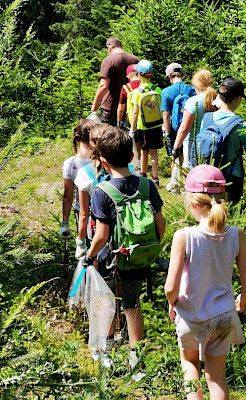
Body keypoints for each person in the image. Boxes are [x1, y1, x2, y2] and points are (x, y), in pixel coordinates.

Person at [164, 164, 246, 400]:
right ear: (223, 197)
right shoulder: (237, 234)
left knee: (190, 366)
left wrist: (172, 303)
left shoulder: (184, 236)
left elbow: (171, 287)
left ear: (192, 202)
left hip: (192, 315)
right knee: (217, 376)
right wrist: (242, 302)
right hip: (224, 315)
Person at [84, 127, 165, 372]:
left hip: (111, 259)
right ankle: (136, 359)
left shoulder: (102, 191)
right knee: (132, 304)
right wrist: (149, 248)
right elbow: (161, 225)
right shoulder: (146, 185)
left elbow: (101, 236)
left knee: (105, 302)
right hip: (138, 256)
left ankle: (106, 352)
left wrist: (88, 256)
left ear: (103, 162)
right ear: (131, 157)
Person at [198, 77, 246, 204]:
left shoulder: (206, 118)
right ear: (238, 99)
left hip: (208, 177)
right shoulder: (242, 125)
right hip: (231, 180)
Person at [74, 124, 113, 258]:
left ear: (91, 144)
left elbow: (84, 214)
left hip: (98, 229)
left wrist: (80, 241)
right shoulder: (128, 169)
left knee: (96, 261)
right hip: (126, 228)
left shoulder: (85, 174)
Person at [171, 69, 217, 172]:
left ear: (196, 84)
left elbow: (184, 128)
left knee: (192, 175)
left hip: (193, 144)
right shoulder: (217, 99)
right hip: (213, 143)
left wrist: (175, 147)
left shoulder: (192, 101)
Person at [161, 62, 196, 192]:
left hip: (175, 128)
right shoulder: (191, 89)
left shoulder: (166, 92)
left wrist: (168, 134)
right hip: (189, 127)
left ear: (170, 76)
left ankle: (175, 184)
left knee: (175, 155)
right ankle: (190, 185)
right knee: (188, 156)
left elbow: (165, 115)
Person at [129, 60, 163, 186]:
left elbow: (135, 113)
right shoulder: (158, 89)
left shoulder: (137, 92)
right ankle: (155, 178)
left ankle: (143, 176)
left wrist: (132, 130)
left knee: (144, 151)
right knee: (154, 152)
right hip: (156, 124)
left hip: (143, 126)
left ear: (139, 74)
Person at [90, 37, 139, 126]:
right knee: (129, 135)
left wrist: (95, 104)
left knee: (109, 136)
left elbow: (103, 86)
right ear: (121, 46)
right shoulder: (135, 59)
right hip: (131, 103)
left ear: (109, 48)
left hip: (111, 105)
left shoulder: (109, 60)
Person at [60, 119, 94, 237]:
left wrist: (65, 222)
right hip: (103, 209)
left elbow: (68, 196)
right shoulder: (102, 160)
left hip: (80, 211)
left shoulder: (70, 163)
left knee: (85, 243)